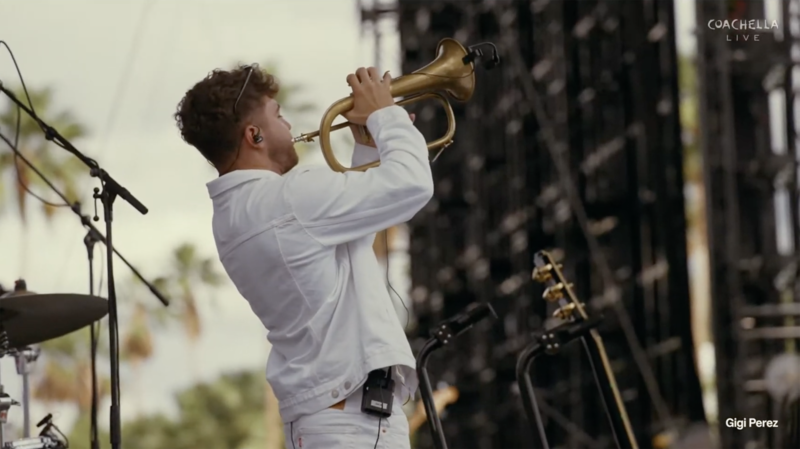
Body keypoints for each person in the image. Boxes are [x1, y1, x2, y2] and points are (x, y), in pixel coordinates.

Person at [174, 64, 433, 448]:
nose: (290, 125)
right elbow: (413, 184)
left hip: (333, 420)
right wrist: (386, 115)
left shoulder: (234, 215)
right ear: (254, 135)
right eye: (279, 116)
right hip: (354, 424)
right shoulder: (292, 196)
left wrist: (366, 146)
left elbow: (351, 240)